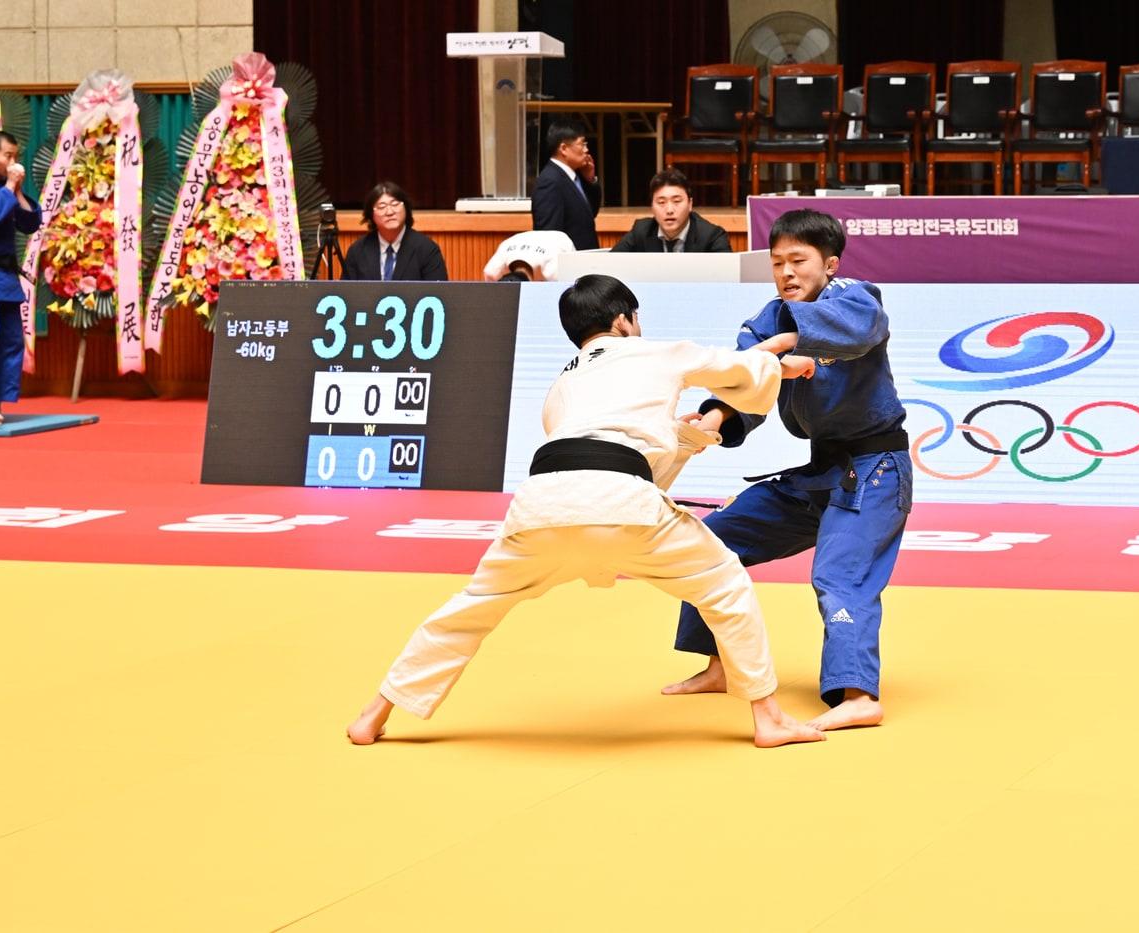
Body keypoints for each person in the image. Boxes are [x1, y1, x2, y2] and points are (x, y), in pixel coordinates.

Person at [347, 274, 825, 749]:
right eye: (635, 318)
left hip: (539, 506)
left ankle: (374, 713)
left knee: (468, 611)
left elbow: (604, 448)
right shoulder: (655, 350)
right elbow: (737, 371)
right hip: (620, 501)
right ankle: (768, 719)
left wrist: (680, 437)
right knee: (725, 584)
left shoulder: (563, 383)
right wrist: (782, 359)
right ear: (622, 320)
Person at [663, 209, 912, 732]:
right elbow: (745, 381)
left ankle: (859, 694)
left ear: (831, 263)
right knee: (713, 541)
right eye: (777, 262)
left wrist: (777, 347)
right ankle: (720, 666)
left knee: (840, 573)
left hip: (875, 468)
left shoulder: (857, 300)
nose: (786, 273)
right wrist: (711, 418)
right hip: (822, 470)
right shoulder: (771, 315)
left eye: (799, 260)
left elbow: (854, 332)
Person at [0, 131, 40, 428]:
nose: (13, 162)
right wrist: (10, 187)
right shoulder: (4, 189)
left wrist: (19, 191)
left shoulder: (8, 188)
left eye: (16, 156)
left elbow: (30, 223)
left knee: (11, 342)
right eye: (7, 156)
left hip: (6, 279)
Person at [342, 181, 448, 281]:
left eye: (395, 204)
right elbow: (347, 294)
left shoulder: (427, 249)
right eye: (382, 206)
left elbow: (438, 295)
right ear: (371, 215)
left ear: (405, 208)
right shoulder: (358, 250)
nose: (389, 212)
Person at [610, 169, 731, 254]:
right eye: (661, 202)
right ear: (652, 207)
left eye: (677, 201)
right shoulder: (641, 231)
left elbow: (728, 276)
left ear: (690, 204)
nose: (669, 210)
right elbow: (611, 263)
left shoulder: (712, 236)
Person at [531, 117, 601, 251]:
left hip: (583, 261)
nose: (586, 150)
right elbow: (548, 236)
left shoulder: (574, 176)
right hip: (568, 265)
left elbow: (590, 214)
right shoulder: (549, 182)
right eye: (582, 144)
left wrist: (590, 180)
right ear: (563, 148)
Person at [482, 229, 575, 282]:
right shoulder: (492, 271)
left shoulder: (554, 270)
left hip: (559, 239)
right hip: (518, 239)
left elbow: (571, 289)